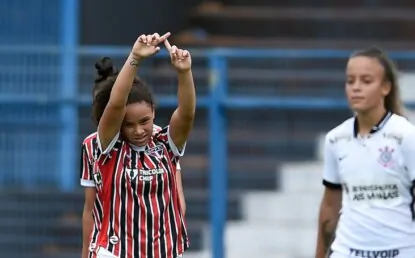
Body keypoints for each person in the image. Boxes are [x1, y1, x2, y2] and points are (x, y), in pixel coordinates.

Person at [92, 32, 195, 258]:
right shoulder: (110, 149)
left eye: (144, 121)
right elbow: (116, 103)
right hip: (117, 252)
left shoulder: (165, 145)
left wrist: (184, 72)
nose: (138, 131)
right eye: (128, 124)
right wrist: (135, 58)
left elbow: (186, 114)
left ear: (154, 114)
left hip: (164, 252)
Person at [315, 46, 415, 258]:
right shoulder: (335, 139)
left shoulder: (406, 136)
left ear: (385, 87)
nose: (356, 88)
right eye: (351, 81)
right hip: (347, 252)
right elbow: (330, 205)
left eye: (366, 81)